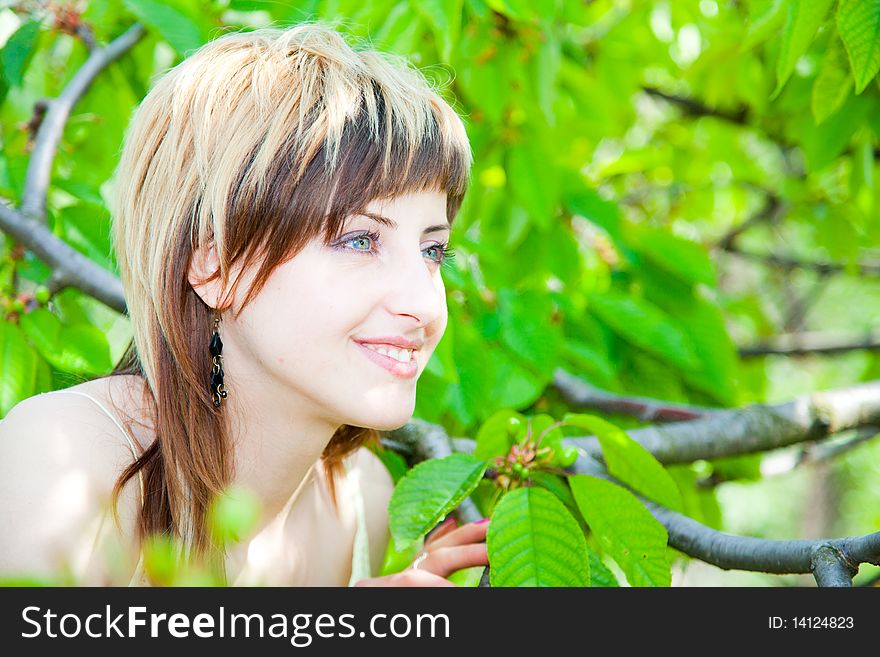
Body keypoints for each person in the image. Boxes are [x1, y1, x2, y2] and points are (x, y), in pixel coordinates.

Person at [0, 20, 489, 586]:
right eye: (360, 240)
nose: (423, 304)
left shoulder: (363, 504)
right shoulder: (65, 459)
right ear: (214, 264)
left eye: (433, 251)